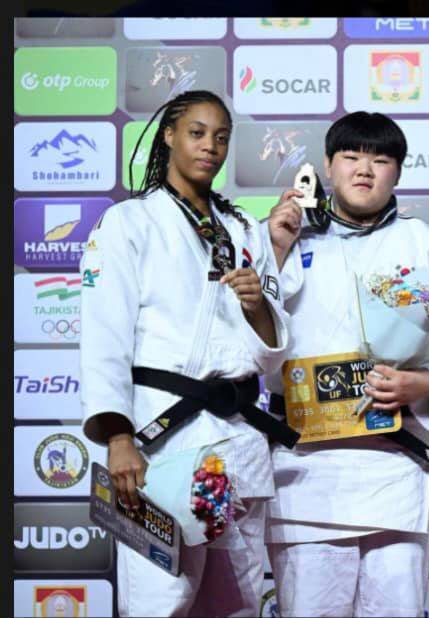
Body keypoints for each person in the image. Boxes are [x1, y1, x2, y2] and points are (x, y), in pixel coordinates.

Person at [79, 90, 293, 617]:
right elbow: (104, 334)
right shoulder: (129, 221)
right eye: (197, 133)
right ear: (169, 136)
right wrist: (119, 437)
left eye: (221, 137)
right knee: (160, 601)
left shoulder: (244, 229)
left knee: (238, 602)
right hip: (163, 439)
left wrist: (257, 308)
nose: (210, 147)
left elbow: (271, 356)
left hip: (239, 438)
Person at [264, 111, 429, 617]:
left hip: (394, 466)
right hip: (304, 469)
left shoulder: (427, 243)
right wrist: (274, 248)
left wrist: (423, 382)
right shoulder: (287, 235)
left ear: (398, 171)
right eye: (351, 157)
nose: (364, 169)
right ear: (327, 166)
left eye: (380, 160)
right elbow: (247, 334)